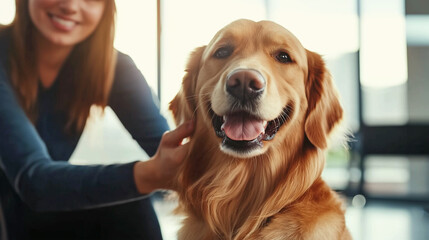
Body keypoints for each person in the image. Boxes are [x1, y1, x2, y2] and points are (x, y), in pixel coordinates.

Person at [0, 0, 194, 239]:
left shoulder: (113, 67)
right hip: (9, 210)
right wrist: (149, 174)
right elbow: (34, 181)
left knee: (131, 206)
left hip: (38, 211)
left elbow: (173, 153)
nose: (70, 6)